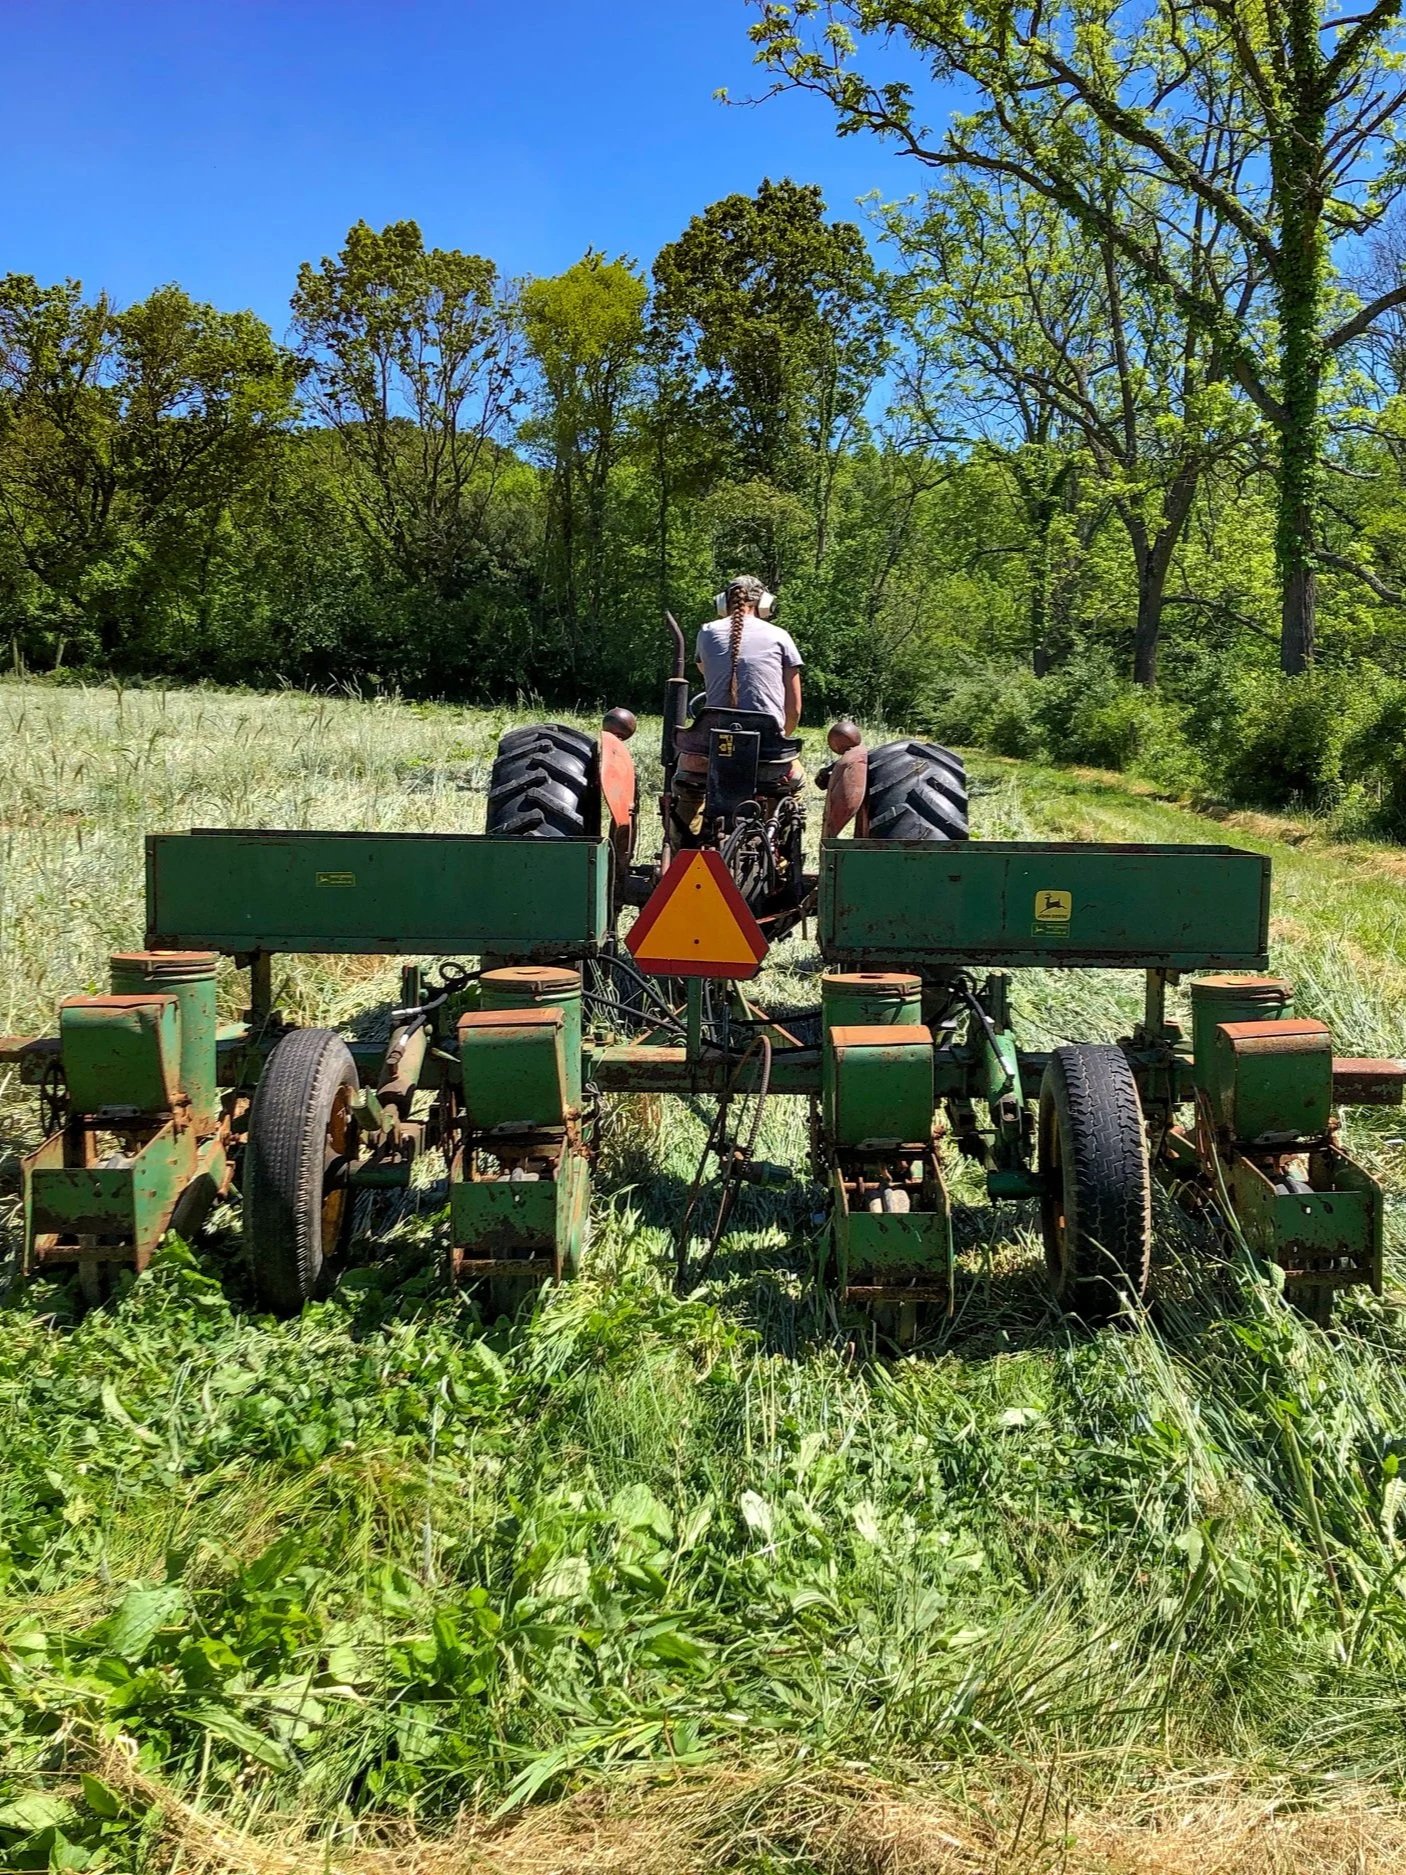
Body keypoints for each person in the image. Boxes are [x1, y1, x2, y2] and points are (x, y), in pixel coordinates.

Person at [670, 574, 805, 845]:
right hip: (767, 754)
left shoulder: (707, 632)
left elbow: (706, 673)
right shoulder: (780, 636)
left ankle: (683, 846)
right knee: (794, 785)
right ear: (766, 604)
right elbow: (794, 708)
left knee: (687, 783)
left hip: (710, 751)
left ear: (723, 603)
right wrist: (778, 737)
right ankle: (781, 851)